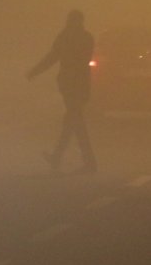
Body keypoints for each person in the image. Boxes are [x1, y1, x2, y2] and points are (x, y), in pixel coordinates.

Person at [26, 10, 97, 173]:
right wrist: (35, 71)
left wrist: (35, 72)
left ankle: (86, 161)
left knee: (75, 122)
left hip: (73, 86)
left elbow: (54, 57)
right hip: (77, 86)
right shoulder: (84, 37)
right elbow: (55, 57)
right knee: (72, 122)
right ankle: (60, 157)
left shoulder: (68, 37)